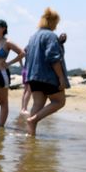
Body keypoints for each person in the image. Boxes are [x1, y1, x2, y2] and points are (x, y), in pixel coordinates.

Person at [25, 8, 70, 136]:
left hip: (33, 76)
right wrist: (61, 78)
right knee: (59, 101)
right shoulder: (51, 36)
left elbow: (27, 51)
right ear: (53, 22)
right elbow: (53, 58)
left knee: (37, 104)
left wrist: (59, 43)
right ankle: (33, 120)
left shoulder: (33, 36)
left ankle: (30, 136)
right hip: (48, 76)